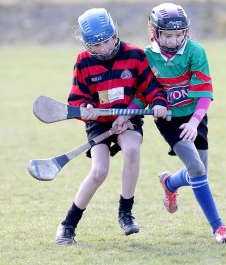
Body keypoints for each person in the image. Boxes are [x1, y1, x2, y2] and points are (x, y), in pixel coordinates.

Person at [55, 8, 168, 245]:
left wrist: (158, 103)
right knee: (99, 171)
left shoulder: (135, 56)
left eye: (107, 41)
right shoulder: (83, 61)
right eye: (97, 45)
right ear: (87, 44)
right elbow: (76, 98)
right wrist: (86, 107)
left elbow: (152, 88)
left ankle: (125, 213)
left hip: (128, 117)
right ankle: (67, 226)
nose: (104, 48)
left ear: (115, 34)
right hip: (99, 122)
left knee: (132, 150)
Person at [144, 3, 226, 243]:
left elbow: (205, 92)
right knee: (196, 169)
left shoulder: (195, 51)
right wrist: (131, 112)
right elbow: (140, 92)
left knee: (199, 171)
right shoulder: (148, 56)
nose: (174, 41)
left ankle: (169, 183)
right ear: (155, 33)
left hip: (195, 115)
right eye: (168, 35)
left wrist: (195, 122)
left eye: (179, 34)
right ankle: (219, 228)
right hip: (169, 120)